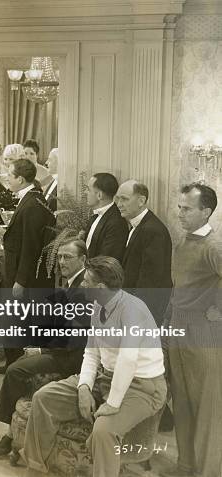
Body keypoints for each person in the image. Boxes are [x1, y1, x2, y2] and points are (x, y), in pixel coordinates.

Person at [18, 256, 167, 477]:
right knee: (43, 397)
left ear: (99, 287)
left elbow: (128, 360)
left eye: (86, 282)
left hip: (142, 386)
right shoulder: (98, 305)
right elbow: (91, 352)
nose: (82, 285)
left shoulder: (133, 310)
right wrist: (84, 387)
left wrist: (113, 403)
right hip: (104, 377)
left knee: (103, 432)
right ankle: (36, 468)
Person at [0, 237, 88, 458]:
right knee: (20, 360)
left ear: (83, 259)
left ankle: (10, 436)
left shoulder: (83, 287)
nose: (62, 262)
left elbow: (76, 336)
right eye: (60, 256)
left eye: (68, 257)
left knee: (15, 370)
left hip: (73, 357)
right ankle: (13, 433)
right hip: (64, 349)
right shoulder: (72, 282)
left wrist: (42, 350)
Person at [162, 183, 222, 477]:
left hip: (203, 334)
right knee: (181, 400)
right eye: (180, 207)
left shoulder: (214, 246)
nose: (180, 213)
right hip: (178, 328)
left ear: (206, 212)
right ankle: (185, 465)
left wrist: (219, 311)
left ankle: (206, 470)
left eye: (186, 208)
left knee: (206, 405)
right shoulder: (183, 242)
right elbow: (178, 288)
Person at [0, 159, 55, 372]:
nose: (7, 179)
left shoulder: (32, 204)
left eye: (10, 176)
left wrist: (20, 281)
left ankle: (16, 367)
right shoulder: (32, 199)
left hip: (25, 278)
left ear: (20, 179)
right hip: (19, 274)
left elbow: (31, 246)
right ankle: (12, 364)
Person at [115, 180, 172, 325]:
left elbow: (150, 280)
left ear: (141, 201)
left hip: (144, 309)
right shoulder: (139, 225)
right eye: (118, 199)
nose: (119, 204)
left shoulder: (152, 230)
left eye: (124, 199)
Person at [84, 173, 128, 262]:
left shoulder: (117, 223)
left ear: (99, 195)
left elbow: (106, 260)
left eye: (88, 189)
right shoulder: (95, 216)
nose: (85, 192)